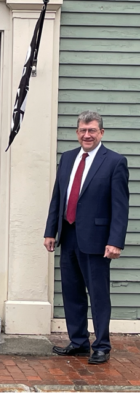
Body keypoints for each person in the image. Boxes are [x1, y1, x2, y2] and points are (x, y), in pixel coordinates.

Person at [44, 110, 129, 365]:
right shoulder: (68, 158)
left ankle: (101, 345)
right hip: (68, 235)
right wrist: (51, 231)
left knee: (98, 294)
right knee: (72, 292)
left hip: (98, 240)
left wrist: (115, 241)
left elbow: (120, 206)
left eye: (92, 130)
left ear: (101, 132)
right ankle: (78, 342)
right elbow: (58, 197)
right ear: (77, 132)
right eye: (83, 130)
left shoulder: (114, 162)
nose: (87, 135)